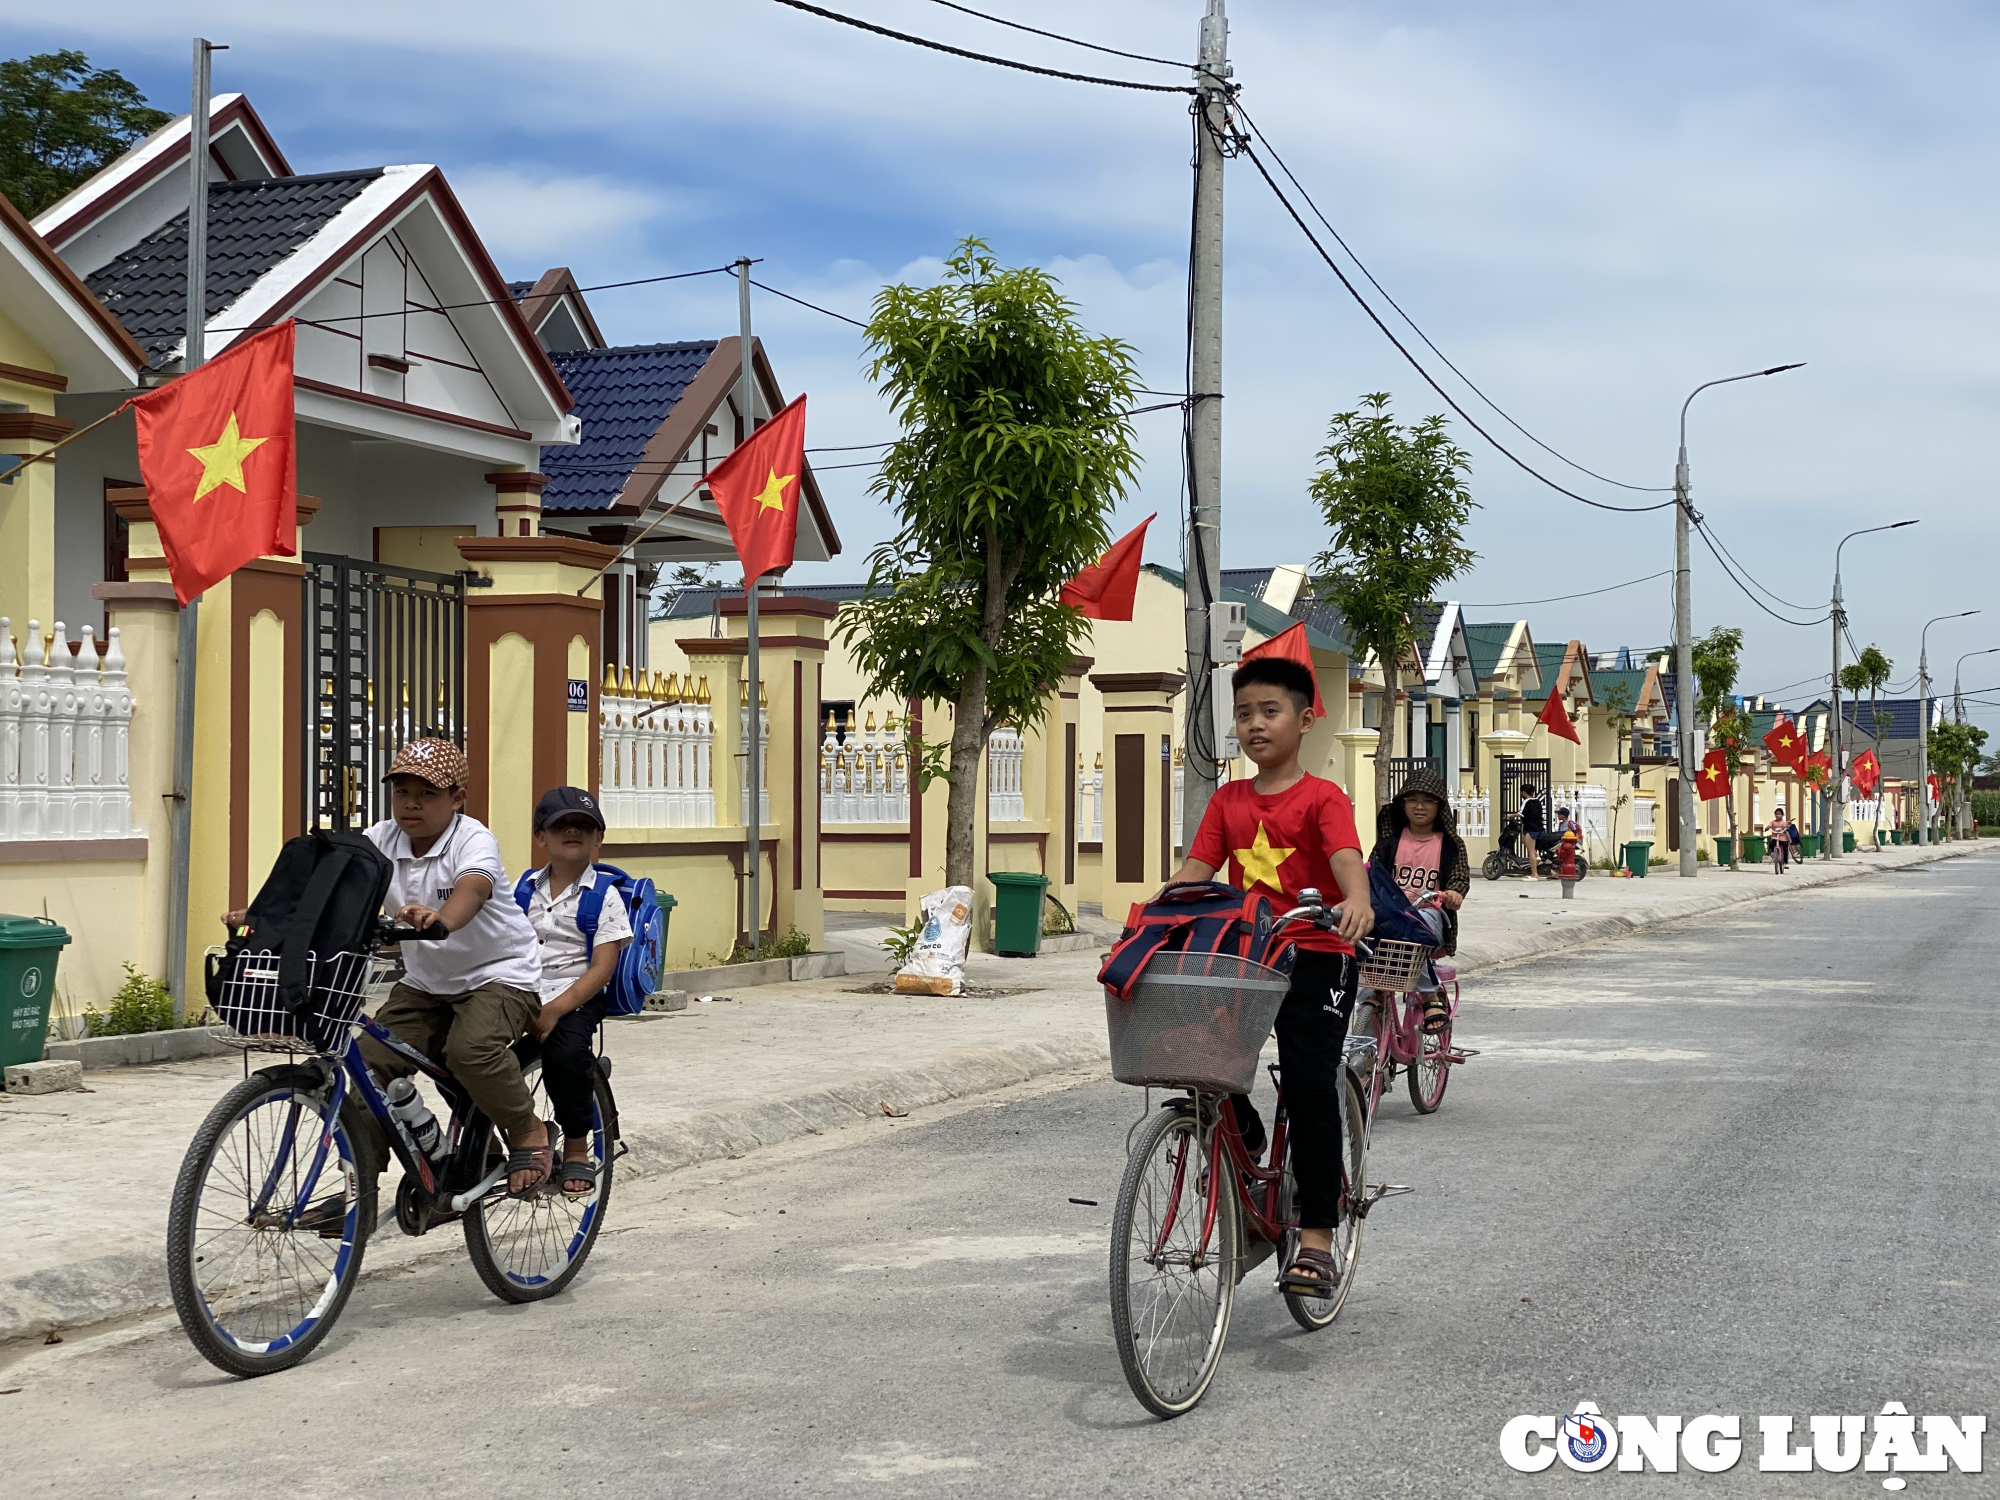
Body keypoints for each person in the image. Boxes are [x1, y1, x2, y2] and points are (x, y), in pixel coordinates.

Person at [1160, 655, 1374, 1300]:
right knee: (1198, 1062)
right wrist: (1155, 915)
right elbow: (1196, 869)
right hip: (1246, 956)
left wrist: (1357, 899)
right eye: (1245, 713)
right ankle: (1247, 1139)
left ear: (1306, 720)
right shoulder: (1228, 799)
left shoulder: (1322, 798)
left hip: (1318, 951)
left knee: (1308, 1083)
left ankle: (1315, 1236)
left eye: (1270, 711)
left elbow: (1344, 858)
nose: (1255, 724)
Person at [357, 739, 550, 1201]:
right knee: (366, 1066)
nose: (411, 804)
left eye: (426, 793)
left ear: (457, 798)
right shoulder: (378, 840)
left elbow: (474, 887)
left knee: (470, 1050)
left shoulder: (473, 838)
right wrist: (269, 917)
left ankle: (527, 1131)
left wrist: (443, 920)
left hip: (500, 974)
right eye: (402, 792)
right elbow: (333, 886)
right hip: (426, 983)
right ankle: (358, 1185)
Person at [519, 786, 630, 1197]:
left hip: (576, 995)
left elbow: (602, 968)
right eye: (560, 824)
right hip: (523, 991)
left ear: (598, 837)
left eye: (584, 825)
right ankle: (514, 1137)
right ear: (540, 837)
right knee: (466, 1052)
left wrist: (554, 1010)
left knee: (565, 1055)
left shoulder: (606, 896)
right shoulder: (522, 891)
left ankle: (578, 1145)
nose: (572, 830)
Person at [1365, 766, 1469, 1033]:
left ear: (1439, 806)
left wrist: (1454, 893)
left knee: (1413, 927)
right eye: (1412, 799)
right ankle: (1361, 1058)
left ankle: (1429, 996)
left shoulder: (1450, 845)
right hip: (1389, 914)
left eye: (1428, 800)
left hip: (1429, 914)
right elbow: (1370, 875)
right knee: (1361, 931)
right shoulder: (1388, 844)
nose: (1419, 806)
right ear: (1402, 805)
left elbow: (1458, 877)